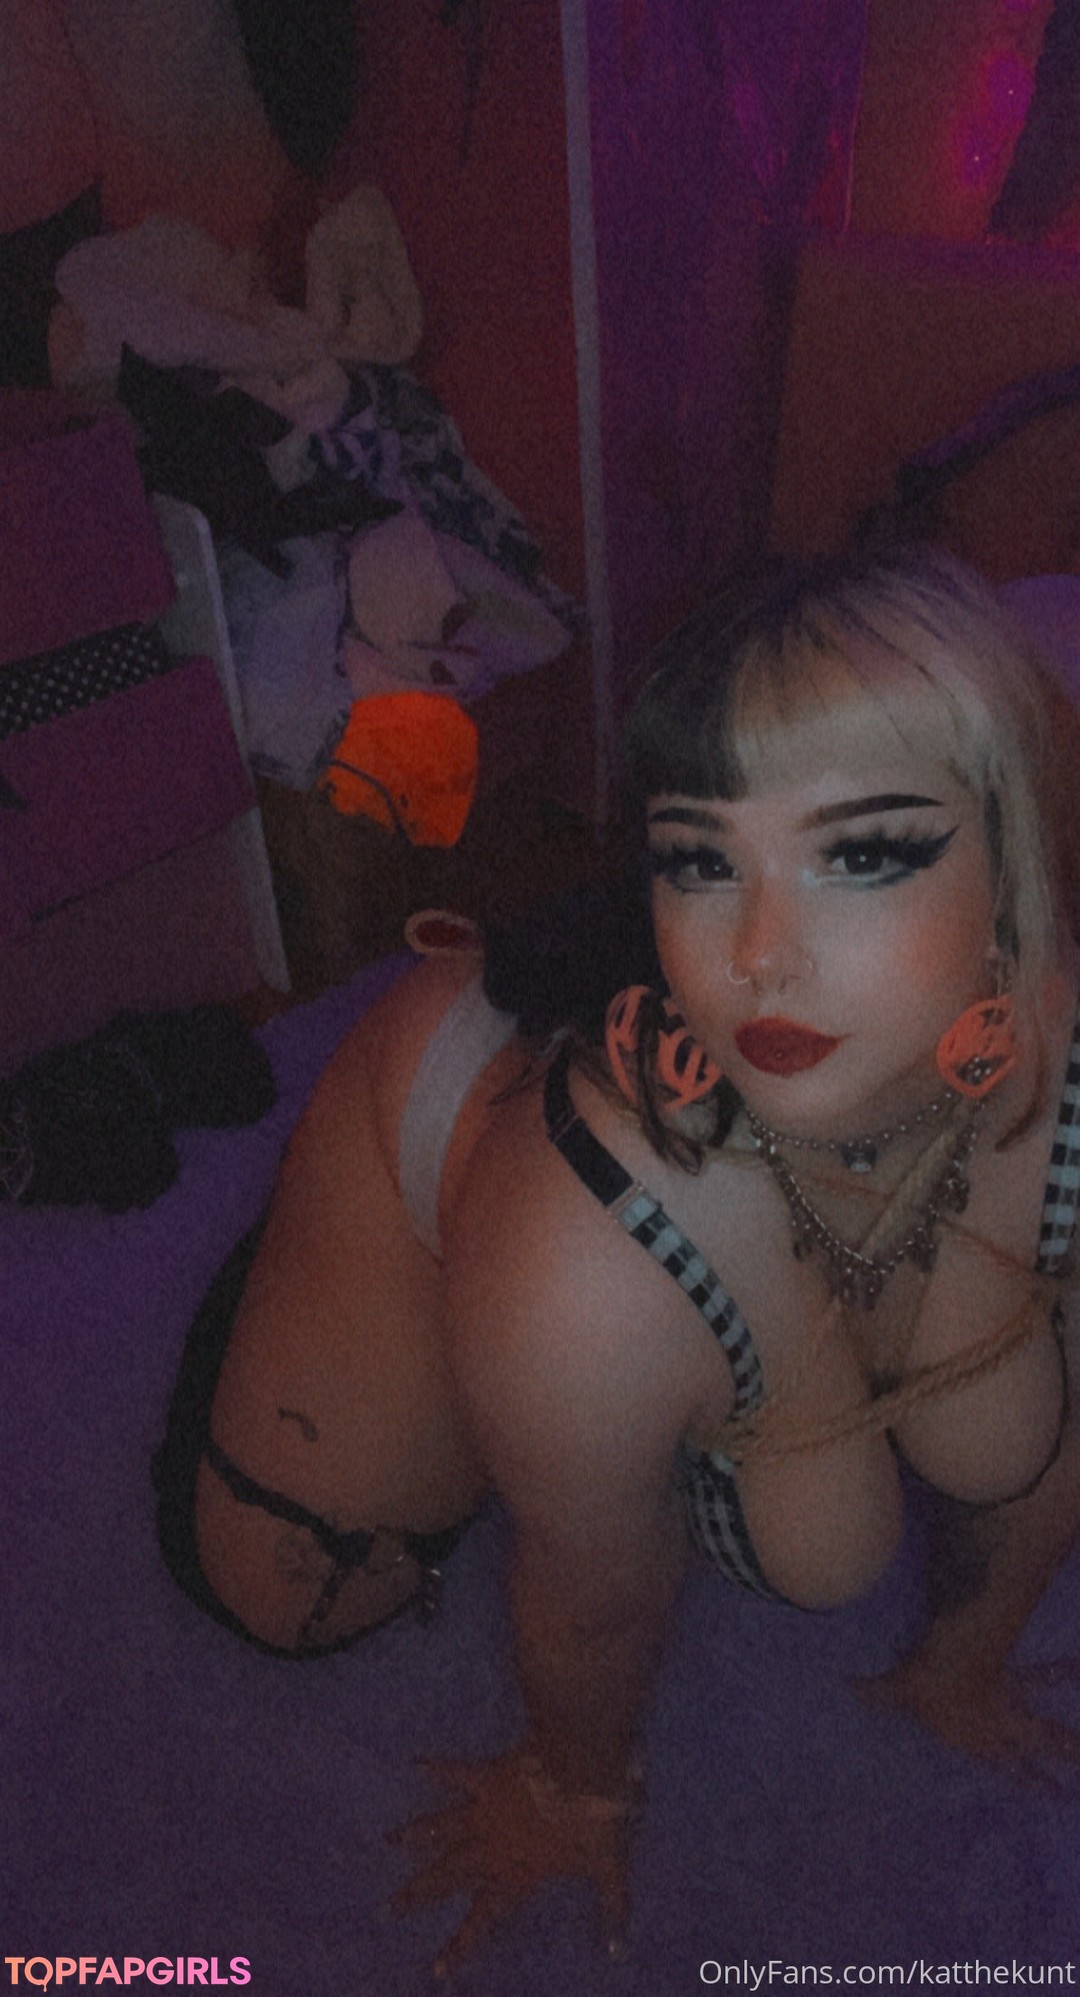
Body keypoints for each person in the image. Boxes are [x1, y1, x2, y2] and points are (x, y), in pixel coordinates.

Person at [155, 543, 1080, 1973]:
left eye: (861, 852)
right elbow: (591, 1600)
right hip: (458, 1144)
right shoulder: (584, 1258)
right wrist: (573, 1784)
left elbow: (1052, 1404)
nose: (757, 954)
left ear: (1014, 861)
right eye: (700, 859)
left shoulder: (1049, 1057)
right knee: (289, 1587)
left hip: (684, 1175)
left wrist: (964, 1662)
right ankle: (353, 1208)